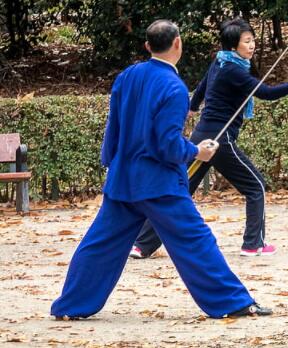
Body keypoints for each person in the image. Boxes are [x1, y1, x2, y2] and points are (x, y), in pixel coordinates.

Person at [51, 19, 271, 320]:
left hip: (123, 178)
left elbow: (113, 128)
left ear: (147, 46)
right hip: (159, 183)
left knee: (100, 244)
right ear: (178, 43)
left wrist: (111, 164)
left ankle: (69, 306)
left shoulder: (128, 76)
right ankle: (233, 302)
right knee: (195, 240)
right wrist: (198, 152)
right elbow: (167, 145)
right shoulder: (173, 87)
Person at [130, 17, 288, 259]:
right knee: (256, 186)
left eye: (252, 41)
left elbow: (201, 86)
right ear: (233, 46)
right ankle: (254, 244)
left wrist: (192, 106)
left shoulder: (221, 62)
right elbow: (266, 93)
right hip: (220, 141)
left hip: (202, 137)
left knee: (179, 189)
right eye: (247, 42)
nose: (251, 46)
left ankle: (141, 245)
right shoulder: (233, 70)